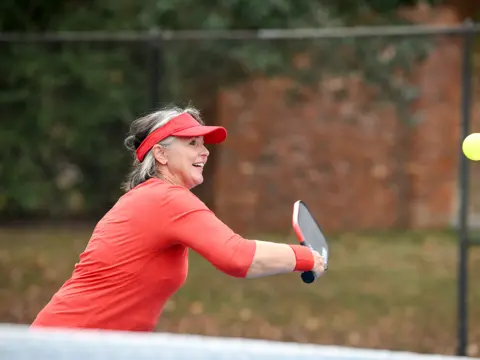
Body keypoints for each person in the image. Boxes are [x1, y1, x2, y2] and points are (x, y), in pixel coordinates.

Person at [31, 105, 325, 332]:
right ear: (160, 154)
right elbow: (238, 256)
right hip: (65, 347)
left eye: (203, 143)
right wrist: (307, 257)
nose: (205, 151)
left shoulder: (151, 198)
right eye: (192, 143)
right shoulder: (166, 200)